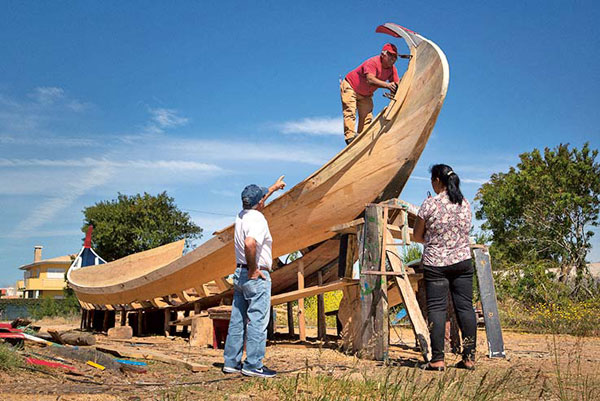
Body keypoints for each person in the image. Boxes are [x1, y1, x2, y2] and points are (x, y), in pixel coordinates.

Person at [413, 164, 477, 371]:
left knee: (437, 309)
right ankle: (468, 358)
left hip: (436, 264)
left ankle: (438, 359)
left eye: (432, 180)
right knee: (465, 308)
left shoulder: (429, 204)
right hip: (462, 262)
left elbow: (417, 236)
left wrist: (433, 242)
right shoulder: (465, 204)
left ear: (437, 181)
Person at [223, 175, 286, 378]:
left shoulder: (241, 215)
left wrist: (273, 188)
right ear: (260, 203)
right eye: (263, 198)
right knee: (258, 320)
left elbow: (258, 199)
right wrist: (253, 270)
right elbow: (251, 243)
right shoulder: (258, 219)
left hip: (239, 274)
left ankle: (231, 362)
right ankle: (253, 365)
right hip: (254, 274)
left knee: (238, 319)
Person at [340, 43, 400, 145]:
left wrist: (398, 93)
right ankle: (350, 137)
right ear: (383, 54)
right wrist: (388, 85)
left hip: (365, 95)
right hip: (350, 86)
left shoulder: (392, 69)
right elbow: (370, 79)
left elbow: (396, 84)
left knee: (367, 116)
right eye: (390, 55)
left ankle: (362, 140)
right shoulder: (372, 62)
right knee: (350, 111)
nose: (393, 59)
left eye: (395, 57)